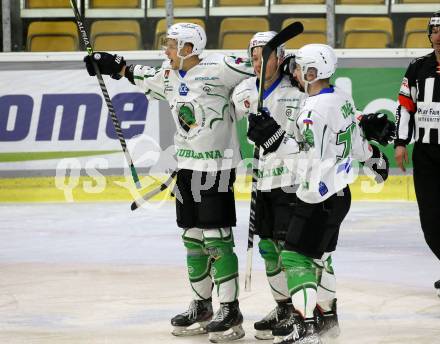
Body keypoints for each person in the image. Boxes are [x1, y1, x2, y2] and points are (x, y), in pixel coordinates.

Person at [83, 22, 254, 342]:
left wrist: (248, 96)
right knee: (192, 238)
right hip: (185, 169)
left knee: (216, 238)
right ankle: (202, 306)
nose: (166, 50)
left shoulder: (221, 68)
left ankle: (230, 309)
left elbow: (259, 69)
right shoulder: (168, 75)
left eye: (172, 45)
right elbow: (138, 73)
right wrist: (109, 65)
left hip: (217, 169)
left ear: (190, 48)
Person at [247, 43, 390, 344]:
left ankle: (306, 326)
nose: (294, 72)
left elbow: (308, 164)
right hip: (340, 194)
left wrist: (274, 140)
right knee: (321, 258)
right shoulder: (341, 97)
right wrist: (372, 158)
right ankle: (328, 322)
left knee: (295, 258)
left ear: (312, 73)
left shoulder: (312, 110)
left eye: (299, 68)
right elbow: (356, 141)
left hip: (318, 196)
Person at [231, 31, 305, 340]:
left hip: (290, 180)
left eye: (263, 54)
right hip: (262, 179)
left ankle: (303, 312)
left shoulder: (297, 92)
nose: (256, 59)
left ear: (279, 58)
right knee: (267, 247)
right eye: (253, 53)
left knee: (290, 249)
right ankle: (283, 306)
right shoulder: (244, 90)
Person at [394, 11, 440, 297]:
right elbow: (404, 106)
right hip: (425, 154)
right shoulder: (417, 67)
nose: (439, 35)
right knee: (431, 218)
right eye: (434, 30)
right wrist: (401, 142)